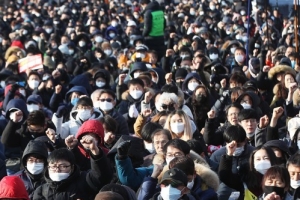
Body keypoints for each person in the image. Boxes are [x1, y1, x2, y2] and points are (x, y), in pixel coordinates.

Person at [33, 145, 113, 199]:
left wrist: (96, 153)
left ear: (72, 167)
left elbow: (101, 176)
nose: (57, 170)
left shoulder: (85, 181)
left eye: (63, 166)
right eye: (53, 167)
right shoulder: (41, 190)